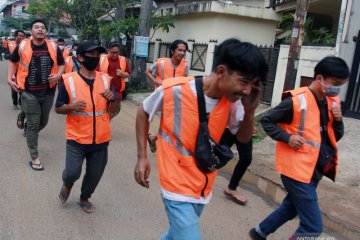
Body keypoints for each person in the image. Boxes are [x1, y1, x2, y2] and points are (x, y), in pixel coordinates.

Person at [135, 38, 268, 239]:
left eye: (253, 84)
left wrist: (250, 111)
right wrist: (142, 157)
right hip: (175, 182)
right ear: (222, 71)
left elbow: (242, 139)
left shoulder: (234, 102)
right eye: (244, 81)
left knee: (175, 234)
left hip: (203, 184)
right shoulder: (175, 89)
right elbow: (143, 112)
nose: (247, 90)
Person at [249, 56, 350, 240]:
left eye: (341, 84)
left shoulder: (331, 102)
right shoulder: (296, 101)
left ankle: (258, 233)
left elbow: (335, 137)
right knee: (312, 228)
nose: (337, 89)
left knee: (290, 208)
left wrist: (338, 120)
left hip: (314, 171)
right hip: (296, 172)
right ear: (320, 78)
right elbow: (267, 120)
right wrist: (287, 137)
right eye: (335, 83)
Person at [55, 41, 120, 213]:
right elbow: (58, 108)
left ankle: (84, 198)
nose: (95, 58)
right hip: (76, 138)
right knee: (71, 172)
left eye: (97, 55)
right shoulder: (69, 81)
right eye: (91, 55)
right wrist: (71, 107)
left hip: (100, 139)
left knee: (94, 175)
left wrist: (112, 100)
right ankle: (67, 185)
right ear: (81, 57)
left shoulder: (106, 80)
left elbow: (113, 110)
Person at [7, 19, 65, 171]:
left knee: (43, 122)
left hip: (48, 91)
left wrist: (58, 75)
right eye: (37, 27)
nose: (40, 29)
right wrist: (9, 78)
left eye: (43, 28)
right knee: (33, 126)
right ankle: (35, 157)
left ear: (46, 32)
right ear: (31, 31)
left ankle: (22, 116)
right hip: (28, 91)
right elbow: (12, 61)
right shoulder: (23, 46)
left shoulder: (53, 46)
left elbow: (62, 63)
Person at [145, 39, 190, 153]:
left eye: (184, 51)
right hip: (161, 97)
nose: (182, 53)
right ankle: (162, 144)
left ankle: (153, 138)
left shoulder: (185, 66)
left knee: (169, 123)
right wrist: (156, 81)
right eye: (179, 50)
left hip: (176, 99)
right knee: (168, 122)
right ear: (172, 51)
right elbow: (147, 72)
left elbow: (185, 81)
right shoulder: (161, 63)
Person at [221, 127, 253, 205]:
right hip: (227, 124)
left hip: (243, 126)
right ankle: (197, 180)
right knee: (217, 153)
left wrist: (250, 124)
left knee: (246, 159)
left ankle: (231, 188)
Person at [4, 30, 26, 111]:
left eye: (23, 36)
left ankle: (21, 102)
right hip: (13, 69)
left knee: (23, 86)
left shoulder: (27, 45)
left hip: (23, 70)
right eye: (19, 36)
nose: (21, 37)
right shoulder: (10, 44)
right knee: (14, 87)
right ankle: (15, 103)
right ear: (15, 36)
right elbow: (6, 56)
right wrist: (14, 56)